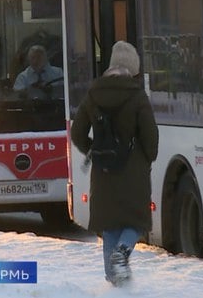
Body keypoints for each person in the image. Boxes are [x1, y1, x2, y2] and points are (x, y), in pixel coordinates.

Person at [70, 40, 158, 286]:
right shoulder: (137, 96)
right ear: (132, 67)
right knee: (135, 221)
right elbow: (150, 136)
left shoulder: (93, 93)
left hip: (103, 170)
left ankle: (114, 282)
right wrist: (147, 158)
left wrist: (93, 150)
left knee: (109, 224)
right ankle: (123, 252)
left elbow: (77, 133)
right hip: (133, 170)